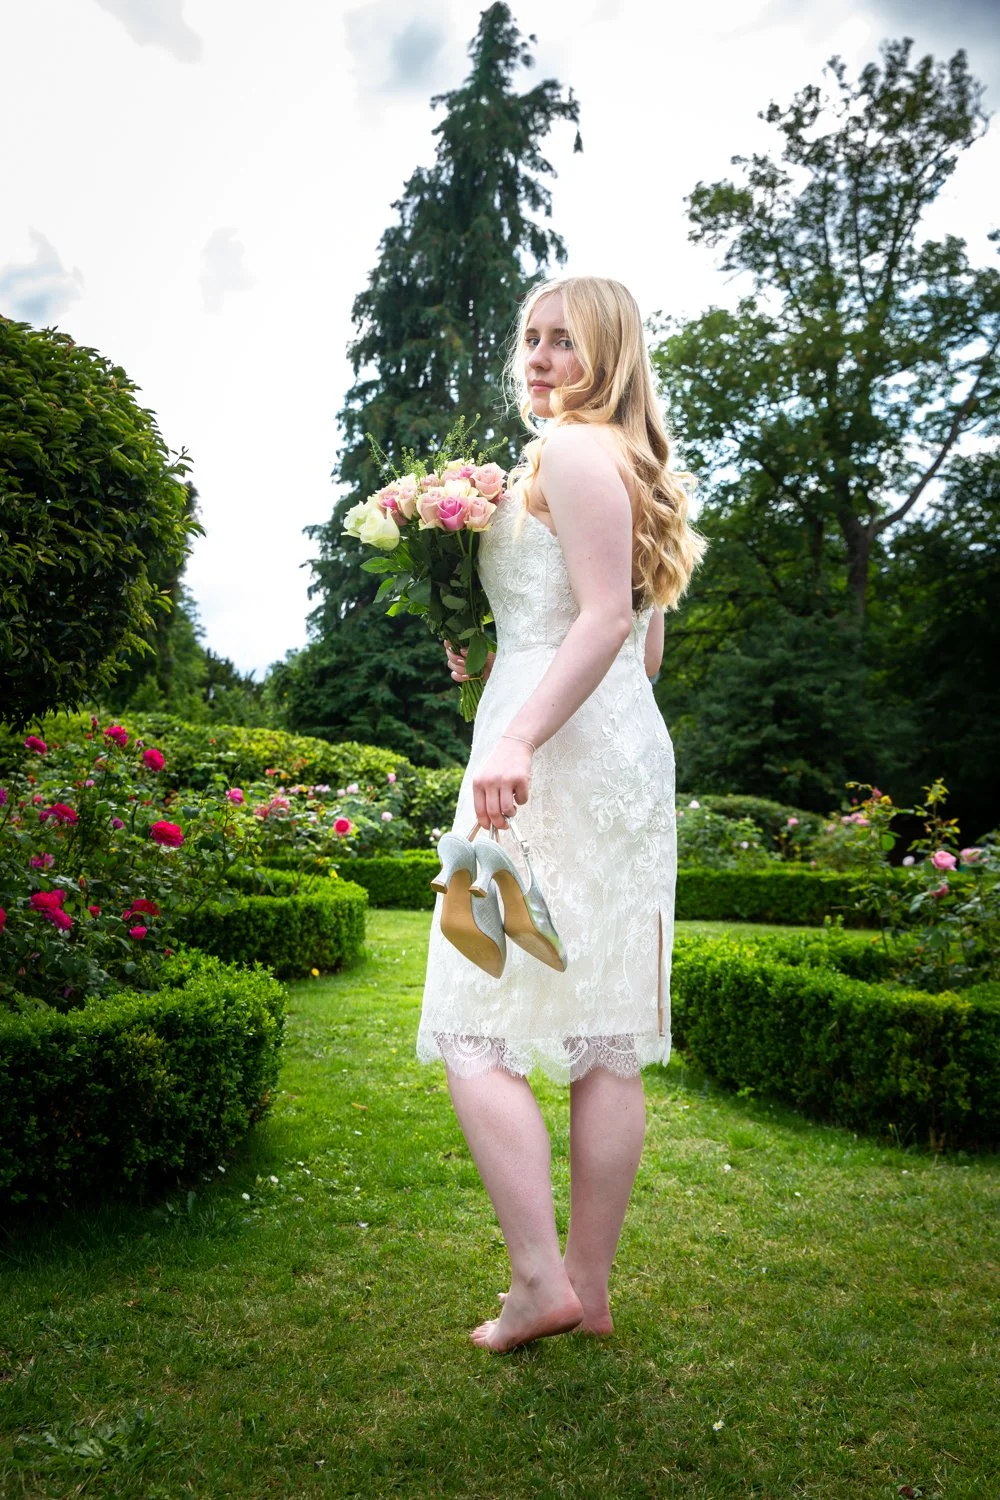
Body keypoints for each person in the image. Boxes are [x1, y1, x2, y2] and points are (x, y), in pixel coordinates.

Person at [416, 275, 706, 1353]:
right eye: (528, 338)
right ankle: (585, 1287)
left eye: (563, 343)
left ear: (611, 356)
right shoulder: (628, 463)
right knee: (603, 1035)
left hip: (542, 758)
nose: (536, 358)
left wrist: (517, 731)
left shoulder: (575, 452)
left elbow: (598, 621)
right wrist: (494, 652)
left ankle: (541, 1281)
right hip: (611, 751)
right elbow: (643, 646)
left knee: (467, 1010)